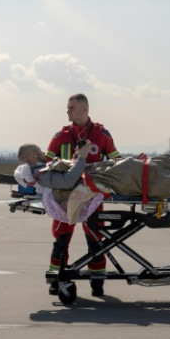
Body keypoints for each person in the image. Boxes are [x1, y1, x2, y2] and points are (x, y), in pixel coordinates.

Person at [44, 93, 120, 297]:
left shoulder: (101, 134)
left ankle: (97, 282)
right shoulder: (61, 136)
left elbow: (116, 162)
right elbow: (45, 164)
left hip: (92, 198)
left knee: (95, 240)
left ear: (84, 109)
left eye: (71, 107)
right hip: (64, 198)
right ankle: (55, 279)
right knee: (61, 240)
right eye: (68, 107)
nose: (67, 111)